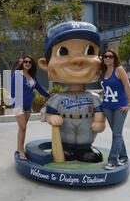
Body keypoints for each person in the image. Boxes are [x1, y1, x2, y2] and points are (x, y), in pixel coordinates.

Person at [39, 21, 106, 163]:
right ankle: (67, 148)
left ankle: (85, 149)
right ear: (45, 64)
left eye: (89, 51)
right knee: (66, 150)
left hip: (86, 128)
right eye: (63, 52)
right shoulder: (58, 97)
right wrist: (51, 118)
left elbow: (99, 111)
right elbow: (49, 112)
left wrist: (100, 120)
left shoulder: (93, 97)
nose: (77, 60)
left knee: (88, 152)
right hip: (66, 129)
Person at [11, 55, 50, 160]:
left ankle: (20, 148)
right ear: (22, 63)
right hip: (18, 104)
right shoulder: (17, 74)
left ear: (32, 65)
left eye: (30, 62)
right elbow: (13, 90)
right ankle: (20, 151)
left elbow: (39, 88)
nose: (27, 63)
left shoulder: (32, 77)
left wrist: (50, 96)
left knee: (22, 129)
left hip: (28, 104)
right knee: (22, 126)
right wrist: (14, 104)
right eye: (25, 61)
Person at [100, 49, 130, 170]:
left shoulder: (119, 69)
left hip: (120, 107)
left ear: (115, 58)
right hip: (107, 106)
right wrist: (101, 92)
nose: (108, 58)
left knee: (116, 134)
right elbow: (109, 87)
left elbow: (127, 86)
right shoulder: (104, 71)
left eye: (110, 56)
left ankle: (112, 161)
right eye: (105, 57)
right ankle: (123, 156)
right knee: (117, 134)